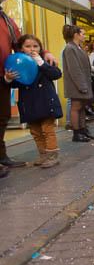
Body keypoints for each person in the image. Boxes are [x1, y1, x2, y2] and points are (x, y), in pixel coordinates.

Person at [0, 0, 58, 173]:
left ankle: (3, 157)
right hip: (10, 79)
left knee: (3, 117)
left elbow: (22, 43)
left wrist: (45, 53)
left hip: (5, 77)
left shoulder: (7, 20)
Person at [3, 35, 62, 168]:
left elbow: (56, 74)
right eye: (28, 46)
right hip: (28, 103)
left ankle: (52, 155)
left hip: (46, 101)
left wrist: (41, 62)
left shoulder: (45, 61)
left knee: (48, 130)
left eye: (35, 46)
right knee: (35, 131)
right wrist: (8, 78)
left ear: (40, 48)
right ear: (21, 48)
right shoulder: (18, 63)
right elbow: (15, 85)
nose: (32, 49)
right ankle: (43, 155)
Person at [62, 24, 94, 142]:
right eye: (82, 34)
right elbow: (74, 69)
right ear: (75, 35)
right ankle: (77, 133)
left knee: (82, 107)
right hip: (76, 84)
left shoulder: (78, 48)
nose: (84, 36)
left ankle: (83, 129)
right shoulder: (70, 48)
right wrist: (82, 86)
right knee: (76, 107)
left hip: (83, 82)